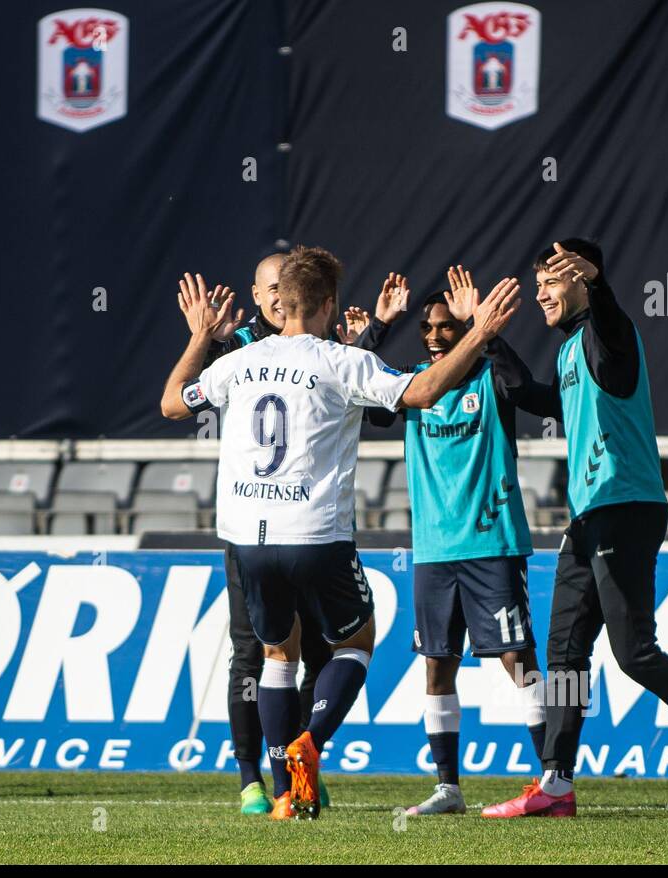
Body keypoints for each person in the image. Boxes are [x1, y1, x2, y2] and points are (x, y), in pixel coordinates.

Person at [161, 246, 518, 819]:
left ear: (283, 302)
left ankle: (284, 795)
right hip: (314, 534)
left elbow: (172, 403)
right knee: (354, 641)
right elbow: (423, 392)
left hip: (246, 538)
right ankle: (311, 742)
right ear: (327, 304)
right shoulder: (340, 360)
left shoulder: (238, 363)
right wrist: (478, 335)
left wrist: (200, 336)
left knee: (277, 654)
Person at [481, 239, 668, 819]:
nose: (540, 292)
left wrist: (600, 288)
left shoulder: (607, 334)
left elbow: (611, 328)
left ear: (581, 282)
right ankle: (557, 783)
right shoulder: (570, 351)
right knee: (564, 653)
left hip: (627, 506)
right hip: (588, 517)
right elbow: (532, 396)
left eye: (552, 281)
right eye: (537, 282)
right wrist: (486, 335)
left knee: (635, 654)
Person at [196, 253, 397, 814]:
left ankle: (290, 779)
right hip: (290, 532)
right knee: (254, 653)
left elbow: (179, 398)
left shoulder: (258, 354)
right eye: (265, 286)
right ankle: (254, 778)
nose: (274, 295)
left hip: (256, 532)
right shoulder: (235, 343)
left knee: (295, 650)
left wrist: (370, 335)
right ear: (260, 295)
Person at [363, 268, 549, 816]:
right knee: (437, 665)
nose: (436, 335)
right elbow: (369, 409)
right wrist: (378, 327)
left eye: (446, 327)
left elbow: (527, 389)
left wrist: (483, 328)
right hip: (433, 552)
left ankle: (553, 777)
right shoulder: (414, 383)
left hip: (491, 541)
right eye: (428, 328)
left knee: (519, 660)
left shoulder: (491, 379)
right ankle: (449, 787)